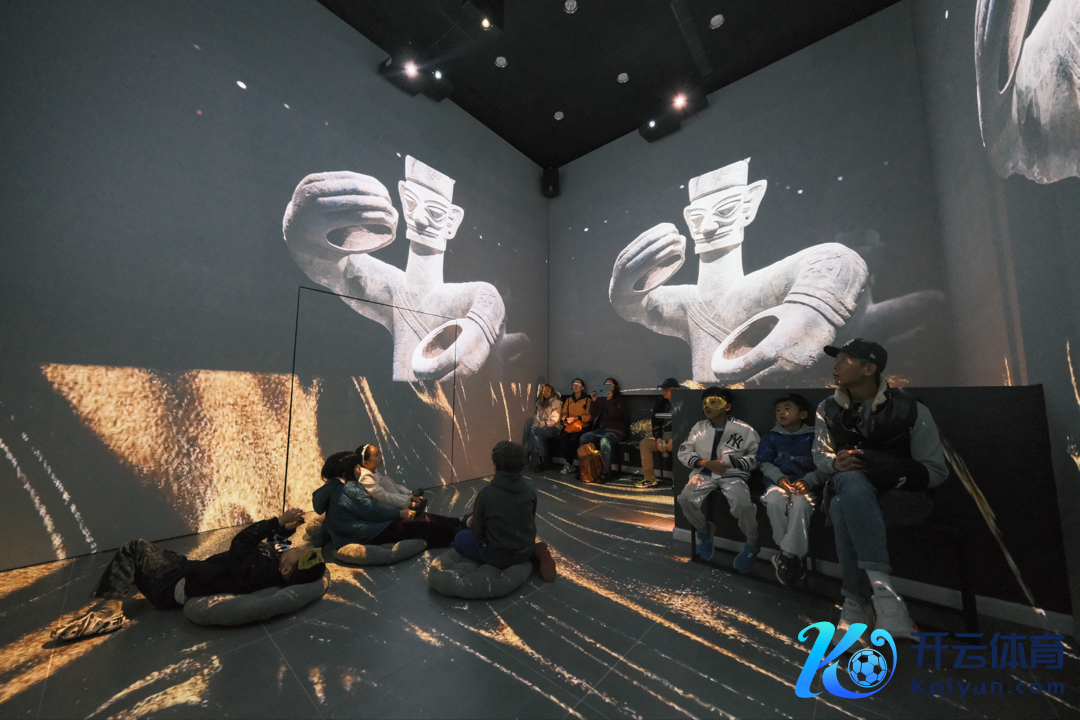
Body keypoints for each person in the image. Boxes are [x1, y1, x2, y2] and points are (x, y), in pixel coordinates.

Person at [813, 339, 948, 639]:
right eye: (836, 360)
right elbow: (820, 458)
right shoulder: (826, 408)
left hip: (903, 500)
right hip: (851, 495)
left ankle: (855, 606)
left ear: (869, 368)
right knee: (849, 483)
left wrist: (887, 468)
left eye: (845, 359)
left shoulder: (911, 409)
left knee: (841, 506)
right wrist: (835, 463)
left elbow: (936, 472)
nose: (835, 366)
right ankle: (886, 598)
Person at [51, 508, 325, 641]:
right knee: (154, 554)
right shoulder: (274, 566)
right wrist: (285, 529)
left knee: (133, 548)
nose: (298, 547)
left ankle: (108, 613)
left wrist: (275, 521)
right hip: (189, 567)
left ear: (286, 569)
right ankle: (128, 582)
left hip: (173, 585)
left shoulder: (260, 570)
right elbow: (277, 546)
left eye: (298, 552)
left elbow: (242, 542)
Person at [677, 387, 761, 570]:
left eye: (713, 402)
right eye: (704, 403)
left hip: (732, 474)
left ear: (727, 406)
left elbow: (757, 456)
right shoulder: (699, 428)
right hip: (703, 473)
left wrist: (735, 462)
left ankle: (752, 542)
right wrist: (705, 463)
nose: (707, 406)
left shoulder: (744, 429)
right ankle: (703, 531)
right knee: (685, 499)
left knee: (743, 504)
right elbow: (684, 452)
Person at [311, 451, 458, 552]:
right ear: (346, 472)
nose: (360, 468)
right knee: (420, 527)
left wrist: (318, 545)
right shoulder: (349, 490)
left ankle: (458, 523)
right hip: (370, 534)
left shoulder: (334, 488)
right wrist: (399, 513)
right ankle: (459, 534)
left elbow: (328, 520)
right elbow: (374, 512)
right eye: (357, 466)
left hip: (366, 529)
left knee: (419, 519)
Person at [454, 441, 557, 582]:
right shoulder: (529, 492)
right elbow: (529, 521)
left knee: (460, 538)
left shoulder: (486, 494)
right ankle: (534, 553)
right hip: (525, 548)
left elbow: (478, 533)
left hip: (499, 555)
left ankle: (522, 557)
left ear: (495, 465)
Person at [756, 393, 822, 587]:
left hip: (805, 486)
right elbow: (764, 463)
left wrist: (808, 481)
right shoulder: (771, 437)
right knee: (774, 501)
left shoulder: (815, 437)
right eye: (778, 410)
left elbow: (824, 466)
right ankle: (792, 555)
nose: (781, 413)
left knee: (802, 505)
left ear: (803, 414)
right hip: (776, 484)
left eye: (787, 408)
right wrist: (779, 478)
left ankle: (785, 556)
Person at [577, 378, 627, 481]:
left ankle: (605, 472)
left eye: (610, 384)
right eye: (605, 384)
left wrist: (610, 400)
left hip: (615, 431)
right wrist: (594, 401)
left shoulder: (619, 400)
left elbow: (613, 414)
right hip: (601, 430)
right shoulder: (601, 399)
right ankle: (584, 469)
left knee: (605, 440)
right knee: (584, 437)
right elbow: (593, 414)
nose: (607, 386)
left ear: (615, 387)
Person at [636, 378, 679, 488]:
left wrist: (675, 438)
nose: (664, 392)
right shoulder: (661, 402)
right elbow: (655, 422)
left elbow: (685, 424)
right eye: (662, 389)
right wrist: (658, 438)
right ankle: (649, 479)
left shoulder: (683, 402)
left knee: (681, 446)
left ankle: (678, 481)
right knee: (645, 444)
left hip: (678, 435)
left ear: (676, 389)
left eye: (667, 389)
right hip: (663, 435)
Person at [556, 379, 592, 475]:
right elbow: (563, 412)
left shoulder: (587, 400)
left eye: (578, 384)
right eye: (574, 384)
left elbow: (590, 416)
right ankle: (569, 463)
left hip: (582, 426)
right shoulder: (569, 400)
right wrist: (565, 419)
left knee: (573, 440)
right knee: (562, 439)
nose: (575, 386)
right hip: (570, 426)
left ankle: (570, 464)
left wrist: (579, 418)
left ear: (582, 387)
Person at [524, 383, 561, 471]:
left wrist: (543, 424)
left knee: (535, 431)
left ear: (552, 392)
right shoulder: (540, 403)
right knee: (538, 436)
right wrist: (536, 424)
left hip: (555, 429)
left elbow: (555, 419)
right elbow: (537, 416)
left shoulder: (556, 403)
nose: (545, 393)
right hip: (542, 428)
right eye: (544, 391)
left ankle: (527, 453)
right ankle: (544, 463)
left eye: (548, 391)